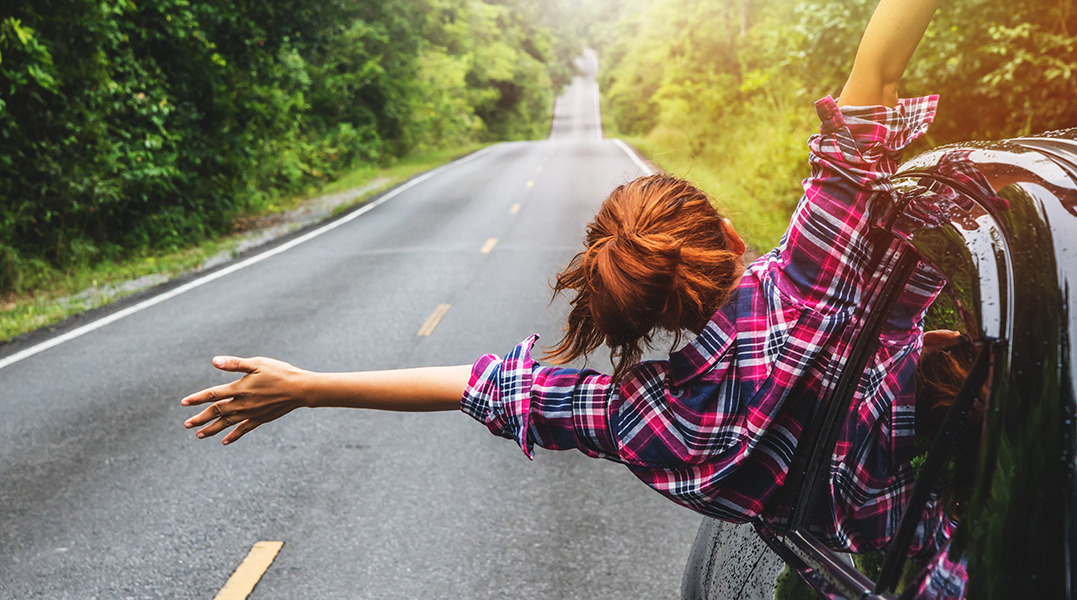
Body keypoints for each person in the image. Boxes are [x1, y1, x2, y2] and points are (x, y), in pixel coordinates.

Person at [183, 0, 944, 558]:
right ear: (730, 236)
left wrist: (306, 385)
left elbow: (480, 387)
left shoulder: (647, 422)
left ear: (645, 314)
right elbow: (876, 67)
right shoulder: (814, 274)